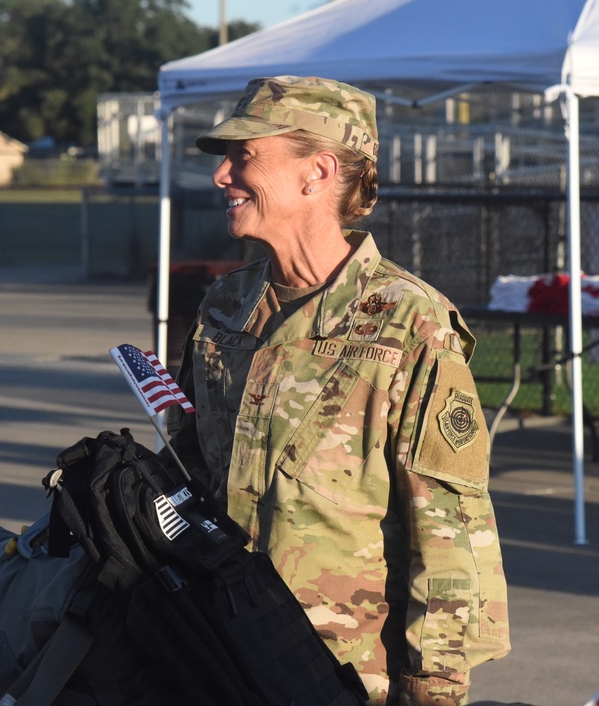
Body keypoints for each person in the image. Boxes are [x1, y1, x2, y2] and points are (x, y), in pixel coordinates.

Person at [167, 76, 511, 706]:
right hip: (216, 654)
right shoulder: (224, 307)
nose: (222, 175)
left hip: (341, 675)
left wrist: (431, 689)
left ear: (317, 173)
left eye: (244, 155)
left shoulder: (410, 325)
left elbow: (452, 534)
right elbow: (192, 471)